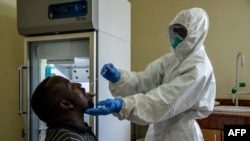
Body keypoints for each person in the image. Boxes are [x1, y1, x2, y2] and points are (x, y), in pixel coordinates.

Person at [85, 7, 216, 141]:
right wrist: (119, 78)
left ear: (196, 34)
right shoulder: (170, 60)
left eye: (182, 32)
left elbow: (165, 101)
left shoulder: (199, 67)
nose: (175, 37)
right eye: (174, 31)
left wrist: (123, 106)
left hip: (181, 135)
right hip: (157, 132)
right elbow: (143, 81)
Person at [31, 75, 97, 141]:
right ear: (66, 104)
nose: (79, 84)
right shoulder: (70, 139)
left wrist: (82, 100)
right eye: (72, 86)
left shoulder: (69, 132)